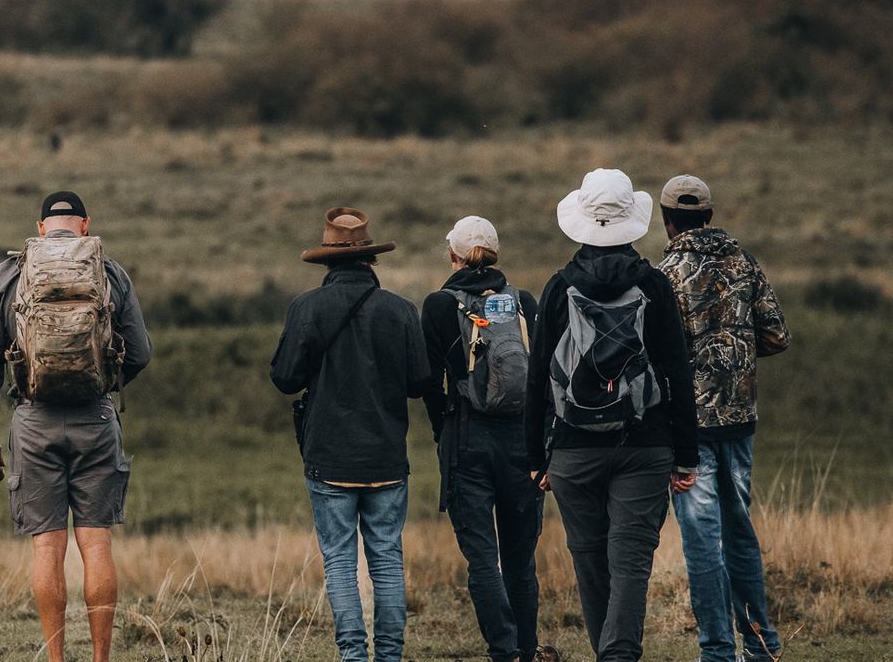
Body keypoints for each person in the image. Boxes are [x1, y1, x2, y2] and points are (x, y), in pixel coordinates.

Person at [0, 191, 153, 662]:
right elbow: (143, 352)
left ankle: (55, 659)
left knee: (47, 551)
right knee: (96, 544)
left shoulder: (9, 273)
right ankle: (101, 658)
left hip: (32, 421)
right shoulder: (109, 271)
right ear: (85, 225)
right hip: (95, 416)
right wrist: (104, 382)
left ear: (41, 226)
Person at [524, 169, 699, 662]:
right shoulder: (655, 286)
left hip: (572, 448)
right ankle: (617, 655)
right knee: (631, 560)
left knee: (588, 558)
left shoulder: (558, 288)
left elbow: (538, 378)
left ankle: (611, 653)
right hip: (646, 443)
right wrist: (686, 455)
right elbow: (677, 373)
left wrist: (535, 457)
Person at [271, 208, 431, 662]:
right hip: (386, 456)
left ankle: (353, 656)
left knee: (340, 562)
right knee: (386, 560)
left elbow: (284, 378)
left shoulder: (306, 307)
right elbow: (420, 383)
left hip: (328, 456)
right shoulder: (400, 310)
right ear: (370, 259)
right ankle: (389, 656)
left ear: (327, 262)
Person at [658, 175, 790, 662]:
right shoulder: (744, 262)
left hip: (689, 428)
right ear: (710, 216)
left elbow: (656, 352)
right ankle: (761, 647)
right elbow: (776, 335)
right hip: (740, 420)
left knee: (702, 543)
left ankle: (716, 651)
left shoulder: (666, 272)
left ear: (667, 221)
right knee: (739, 533)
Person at [422, 216, 546, 662]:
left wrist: (444, 434)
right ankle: (527, 650)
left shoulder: (438, 305)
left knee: (482, 558)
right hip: (521, 440)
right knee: (520, 558)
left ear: (453, 255)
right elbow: (543, 380)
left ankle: (505, 650)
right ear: (496, 254)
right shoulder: (524, 302)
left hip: (465, 437)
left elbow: (428, 382)